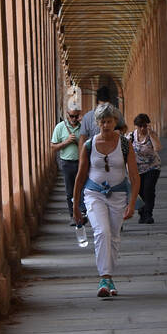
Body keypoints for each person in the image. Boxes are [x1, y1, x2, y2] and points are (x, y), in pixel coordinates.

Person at [73, 103, 139, 297]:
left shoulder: (125, 144)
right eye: (102, 121)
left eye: (109, 121)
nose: (106, 125)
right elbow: (80, 176)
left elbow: (135, 177)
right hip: (94, 194)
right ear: (97, 123)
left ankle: (109, 277)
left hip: (118, 195)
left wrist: (132, 203)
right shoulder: (89, 145)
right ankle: (105, 277)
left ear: (115, 122)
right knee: (102, 232)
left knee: (114, 236)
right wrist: (75, 206)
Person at [51, 95, 86, 227]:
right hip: (66, 163)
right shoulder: (60, 127)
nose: (74, 119)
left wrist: (79, 142)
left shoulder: (83, 127)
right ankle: (73, 215)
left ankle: (82, 213)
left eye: (76, 116)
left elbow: (89, 144)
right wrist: (66, 142)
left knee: (83, 189)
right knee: (69, 191)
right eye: (71, 116)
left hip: (81, 162)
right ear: (67, 114)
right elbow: (53, 146)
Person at [132, 114, 161, 223]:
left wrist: (151, 135)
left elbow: (157, 148)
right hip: (137, 169)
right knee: (139, 192)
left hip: (152, 167)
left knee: (148, 189)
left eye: (144, 126)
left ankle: (148, 213)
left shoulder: (151, 135)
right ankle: (142, 213)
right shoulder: (131, 136)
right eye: (140, 126)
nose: (142, 129)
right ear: (136, 126)